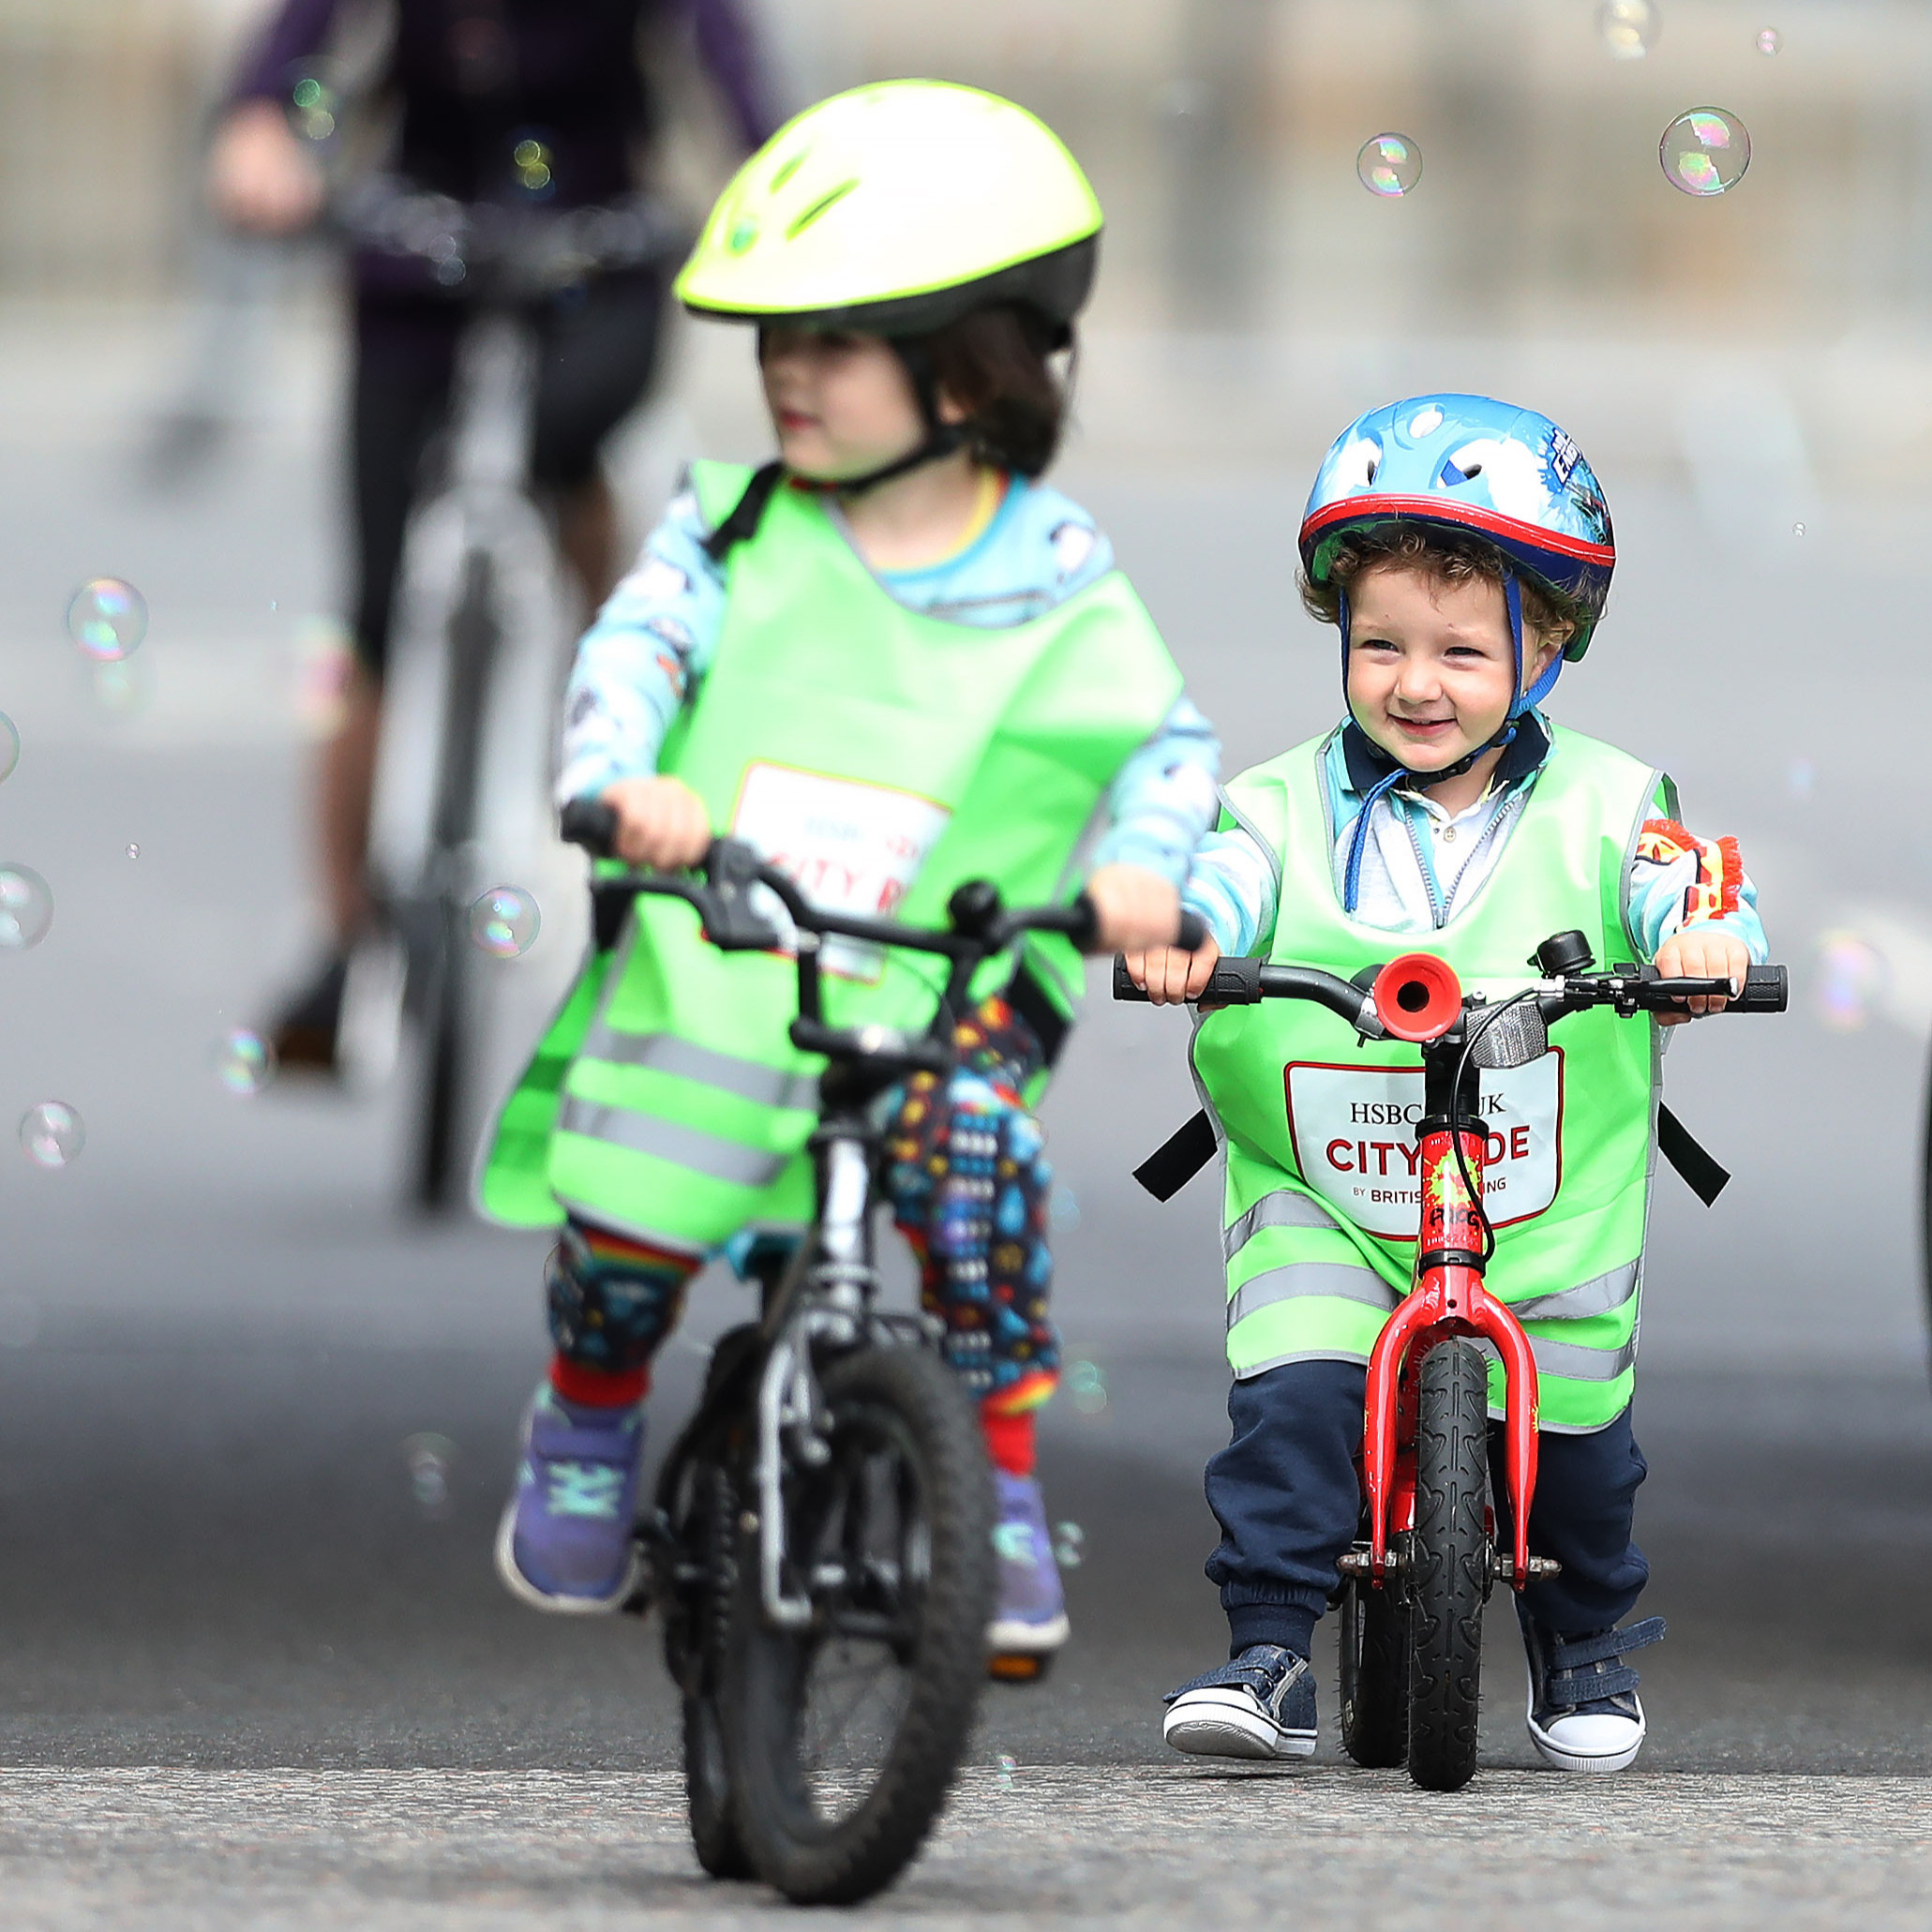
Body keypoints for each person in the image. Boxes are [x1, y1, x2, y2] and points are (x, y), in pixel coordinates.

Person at [475, 81, 1221, 1665]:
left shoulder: (1059, 579)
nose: (784, 378)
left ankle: (996, 1483)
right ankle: (590, 1413)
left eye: (832, 343)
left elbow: (1163, 747)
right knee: (633, 1210)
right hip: (737, 951)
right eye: (772, 344)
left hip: (947, 974)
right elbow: (636, 646)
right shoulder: (734, 528)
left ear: (973, 362)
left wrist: (1155, 871)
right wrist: (620, 780)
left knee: (973, 1174)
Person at [1125, 394, 1768, 1772]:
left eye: (1463, 651)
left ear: (1548, 647)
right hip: (1332, 1193)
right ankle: (1268, 1649)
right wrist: (1187, 932)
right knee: (1291, 1403)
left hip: (1543, 1213)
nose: (1416, 682)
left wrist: (1703, 943)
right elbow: (1221, 873)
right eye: (1381, 646)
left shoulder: (1607, 800)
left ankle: (1584, 1640)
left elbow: (1681, 878)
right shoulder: (1275, 806)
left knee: (1585, 1440)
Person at [207, 0, 777, 1070]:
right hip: (413, 263)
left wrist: (776, 178)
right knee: (374, 606)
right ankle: (340, 939)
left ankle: (598, 683)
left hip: (599, 257)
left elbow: (726, 64)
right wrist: (264, 124)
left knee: (566, 448)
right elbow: (307, 53)